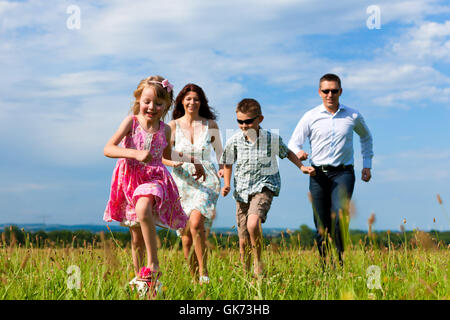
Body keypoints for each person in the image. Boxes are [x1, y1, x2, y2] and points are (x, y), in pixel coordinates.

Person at [103, 75, 205, 296]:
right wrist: (135, 153)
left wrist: (193, 160)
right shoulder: (131, 123)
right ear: (139, 98)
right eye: (147, 101)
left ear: (166, 106)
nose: (152, 107)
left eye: (159, 104)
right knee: (136, 237)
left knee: (143, 208)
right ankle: (143, 280)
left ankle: (153, 263)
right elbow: (108, 148)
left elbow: (167, 155)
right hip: (129, 181)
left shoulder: (164, 130)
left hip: (154, 179)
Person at [220, 98, 315, 277]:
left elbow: (287, 153)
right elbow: (227, 164)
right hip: (241, 191)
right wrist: (226, 184)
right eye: (240, 121)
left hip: (264, 186)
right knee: (242, 240)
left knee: (253, 223)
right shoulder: (234, 141)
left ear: (259, 119)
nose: (244, 125)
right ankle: (246, 276)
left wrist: (302, 167)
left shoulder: (271, 139)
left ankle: (258, 262)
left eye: (248, 121)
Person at [288, 73, 373, 265]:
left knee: (340, 216)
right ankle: (326, 265)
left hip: (344, 173)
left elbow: (366, 137)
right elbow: (293, 143)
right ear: (319, 92)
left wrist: (367, 164)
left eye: (334, 91)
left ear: (340, 91)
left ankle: (340, 261)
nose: (330, 95)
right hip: (318, 174)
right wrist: (300, 152)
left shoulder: (353, 115)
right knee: (321, 224)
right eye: (326, 91)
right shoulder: (310, 116)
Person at [163, 83, 223, 285]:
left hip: (206, 180)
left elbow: (220, 154)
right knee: (186, 235)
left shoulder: (211, 125)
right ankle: (194, 280)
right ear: (181, 101)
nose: (192, 102)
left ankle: (204, 274)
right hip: (181, 182)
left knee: (197, 223)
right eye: (188, 98)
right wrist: (175, 162)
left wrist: (224, 170)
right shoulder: (171, 126)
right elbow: (163, 156)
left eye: (196, 99)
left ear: (201, 102)